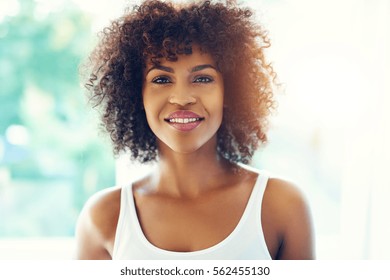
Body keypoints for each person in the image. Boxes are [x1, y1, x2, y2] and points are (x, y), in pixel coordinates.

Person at [75, 0, 314, 260]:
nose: (182, 98)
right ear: (136, 95)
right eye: (161, 79)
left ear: (230, 91)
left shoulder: (282, 206)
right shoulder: (104, 217)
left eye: (202, 78)